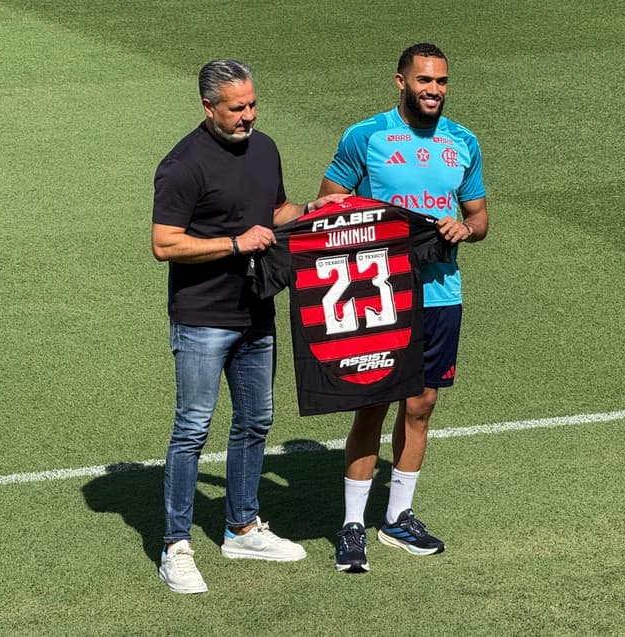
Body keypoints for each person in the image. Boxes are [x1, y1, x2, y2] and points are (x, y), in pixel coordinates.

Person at [152, 58, 344, 594]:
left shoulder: (265, 148)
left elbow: (276, 208)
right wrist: (235, 244)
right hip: (202, 319)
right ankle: (175, 544)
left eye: (253, 104)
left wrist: (313, 208)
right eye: (237, 108)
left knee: (256, 418)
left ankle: (241, 526)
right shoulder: (182, 165)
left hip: (257, 310)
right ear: (208, 107)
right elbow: (164, 243)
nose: (249, 116)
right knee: (192, 428)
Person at [317, 43, 489, 573]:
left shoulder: (463, 142)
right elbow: (328, 205)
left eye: (441, 81)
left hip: (441, 294)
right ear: (400, 82)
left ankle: (397, 517)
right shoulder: (365, 136)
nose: (433, 90)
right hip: (380, 295)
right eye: (424, 81)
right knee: (372, 405)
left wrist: (466, 228)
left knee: (421, 405)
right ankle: (351, 525)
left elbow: (479, 217)